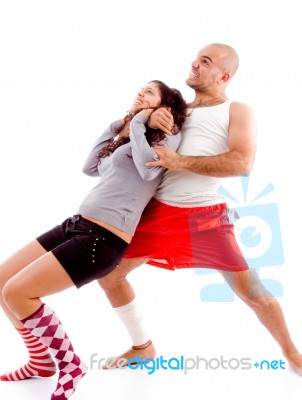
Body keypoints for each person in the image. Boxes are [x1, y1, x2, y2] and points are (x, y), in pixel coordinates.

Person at [98, 43, 302, 375]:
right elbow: (131, 140)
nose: (194, 63)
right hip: (158, 213)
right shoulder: (175, 111)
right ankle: (143, 348)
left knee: (253, 293)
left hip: (205, 219)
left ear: (224, 75)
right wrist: (146, 116)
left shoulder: (237, 110)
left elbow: (241, 162)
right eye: (195, 57)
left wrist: (180, 162)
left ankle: (293, 355)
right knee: (109, 274)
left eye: (204, 61)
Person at [0, 80, 187, 399]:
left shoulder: (168, 136)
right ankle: (41, 362)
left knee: (18, 293)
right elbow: (90, 167)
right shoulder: (131, 133)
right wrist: (122, 124)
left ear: (165, 107)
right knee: (3, 280)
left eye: (149, 92)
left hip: (102, 239)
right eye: (140, 90)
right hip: (76, 224)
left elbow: (146, 171)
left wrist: (141, 122)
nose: (140, 93)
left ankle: (70, 365)